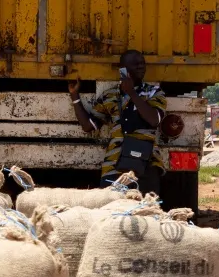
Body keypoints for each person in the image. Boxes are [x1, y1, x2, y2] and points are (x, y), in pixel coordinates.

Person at [70, 49, 167, 189]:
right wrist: (74, 96)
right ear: (123, 70)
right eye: (135, 64)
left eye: (142, 63)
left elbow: (154, 120)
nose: (141, 66)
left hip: (146, 166)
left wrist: (132, 93)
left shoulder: (154, 92)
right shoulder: (109, 96)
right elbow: (88, 126)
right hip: (114, 166)